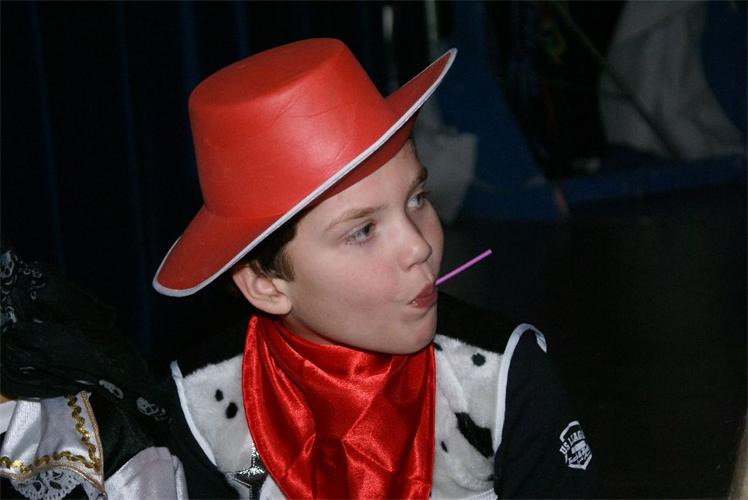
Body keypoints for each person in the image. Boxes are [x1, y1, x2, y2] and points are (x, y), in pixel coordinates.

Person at [154, 38, 596, 498]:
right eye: (363, 230)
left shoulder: (499, 377)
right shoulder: (204, 405)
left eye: (417, 198)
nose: (419, 245)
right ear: (266, 283)